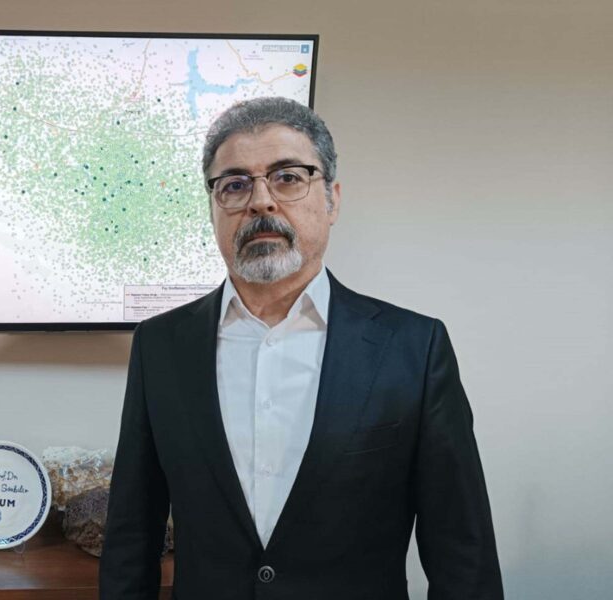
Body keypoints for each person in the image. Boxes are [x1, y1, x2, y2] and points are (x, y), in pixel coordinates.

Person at [99, 97, 503, 599]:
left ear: (332, 200)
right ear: (213, 208)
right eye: (235, 185)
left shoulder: (413, 349)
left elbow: (463, 553)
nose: (261, 201)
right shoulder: (161, 346)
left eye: (288, 177)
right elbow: (132, 536)